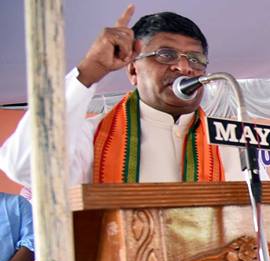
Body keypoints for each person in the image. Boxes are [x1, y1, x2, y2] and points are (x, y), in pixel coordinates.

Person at [1, 6, 247, 185]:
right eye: (165, 55)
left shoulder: (231, 142)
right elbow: (25, 167)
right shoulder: (93, 137)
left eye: (195, 59)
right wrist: (89, 71)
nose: (184, 67)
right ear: (132, 70)